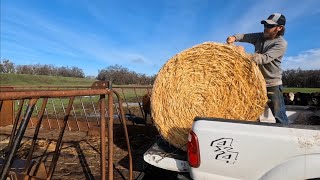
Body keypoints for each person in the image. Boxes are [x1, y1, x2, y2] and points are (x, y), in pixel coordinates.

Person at [226, 13, 289, 124]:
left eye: (270, 26)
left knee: (280, 116)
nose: (266, 28)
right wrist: (234, 37)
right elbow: (245, 36)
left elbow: (264, 59)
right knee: (251, 112)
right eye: (265, 25)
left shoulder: (281, 44)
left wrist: (243, 54)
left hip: (272, 84)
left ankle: (286, 136)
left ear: (279, 28)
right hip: (255, 83)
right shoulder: (260, 36)